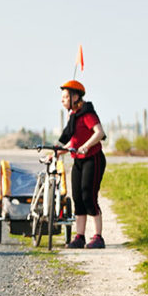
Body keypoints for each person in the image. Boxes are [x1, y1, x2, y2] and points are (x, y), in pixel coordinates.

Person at [59, 80, 107, 249]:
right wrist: (56, 153)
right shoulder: (74, 116)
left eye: (66, 96)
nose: (63, 100)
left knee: (89, 196)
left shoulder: (87, 113)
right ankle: (79, 237)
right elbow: (72, 141)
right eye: (62, 97)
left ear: (75, 96)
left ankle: (98, 237)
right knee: (78, 198)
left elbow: (99, 132)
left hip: (93, 159)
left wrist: (86, 146)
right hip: (78, 160)